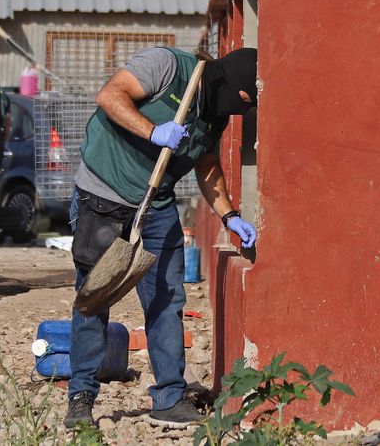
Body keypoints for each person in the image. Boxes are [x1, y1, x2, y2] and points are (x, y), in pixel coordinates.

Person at [65, 46, 259, 432]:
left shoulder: (215, 116)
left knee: (167, 299)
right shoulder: (167, 67)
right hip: (103, 194)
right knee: (94, 297)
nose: (240, 110)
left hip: (155, 205)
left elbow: (206, 166)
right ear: (232, 86)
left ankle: (169, 397)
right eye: (243, 101)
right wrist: (154, 131)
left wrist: (230, 215)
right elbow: (110, 95)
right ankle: (81, 396)